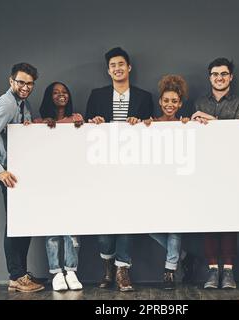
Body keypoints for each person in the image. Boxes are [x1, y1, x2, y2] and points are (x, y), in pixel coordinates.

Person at [85, 47, 154, 292]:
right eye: (113, 65)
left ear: (129, 67)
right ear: (108, 70)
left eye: (121, 64)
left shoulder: (144, 97)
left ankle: (123, 270)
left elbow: (152, 131)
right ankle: (107, 267)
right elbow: (85, 131)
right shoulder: (97, 95)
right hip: (102, 168)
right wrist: (94, 123)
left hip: (132, 168)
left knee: (126, 219)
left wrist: (143, 123)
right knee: (104, 222)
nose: (117, 68)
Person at [0, 62, 44, 292]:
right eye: (21, 82)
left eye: (30, 83)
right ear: (11, 81)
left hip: (19, 173)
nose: (26, 87)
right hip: (9, 174)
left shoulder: (22, 103)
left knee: (22, 224)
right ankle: (16, 276)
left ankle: (20, 274)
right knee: (15, 225)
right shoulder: (7, 104)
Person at [192, 58, 239, 289]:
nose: (219, 78)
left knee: (229, 220)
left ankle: (228, 272)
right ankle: (212, 271)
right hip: (205, 168)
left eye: (224, 74)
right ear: (210, 77)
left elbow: (238, 135)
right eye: (215, 74)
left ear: (231, 77)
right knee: (208, 220)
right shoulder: (199, 102)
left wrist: (209, 119)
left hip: (232, 168)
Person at [144, 75, 189, 290]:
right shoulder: (152, 124)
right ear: (160, 102)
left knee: (175, 228)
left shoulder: (185, 125)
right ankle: (183, 255)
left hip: (179, 183)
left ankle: (169, 270)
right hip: (156, 183)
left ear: (180, 103)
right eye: (166, 100)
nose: (170, 104)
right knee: (150, 226)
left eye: (174, 101)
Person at [38, 82, 84, 291]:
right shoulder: (40, 123)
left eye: (64, 92)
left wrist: (83, 125)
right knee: (52, 229)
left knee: (72, 228)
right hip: (48, 183)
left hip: (73, 182)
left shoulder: (76, 120)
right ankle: (56, 273)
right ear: (49, 97)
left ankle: (71, 270)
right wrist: (33, 128)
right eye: (56, 93)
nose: (61, 95)